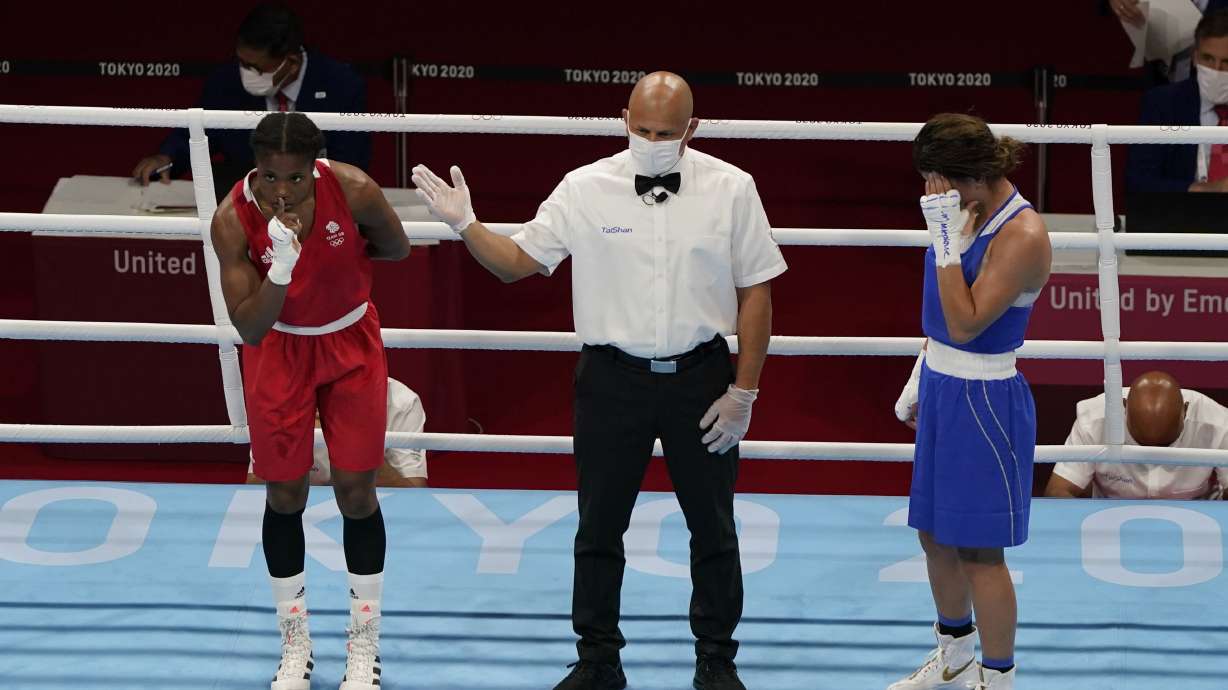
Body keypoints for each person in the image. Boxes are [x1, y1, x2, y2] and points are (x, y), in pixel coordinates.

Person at [412, 71, 786, 690]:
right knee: (599, 526)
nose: (653, 141)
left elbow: (756, 292)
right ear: (623, 120)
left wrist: (743, 392)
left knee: (714, 527)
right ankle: (597, 660)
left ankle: (717, 660)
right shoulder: (583, 187)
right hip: (612, 381)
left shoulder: (732, 188)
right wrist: (466, 224)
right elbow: (517, 263)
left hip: (701, 378)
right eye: (643, 129)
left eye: (666, 133)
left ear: (692, 129)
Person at [210, 111, 409, 690]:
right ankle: (295, 645)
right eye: (271, 177)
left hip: (350, 343)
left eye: (295, 178)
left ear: (314, 168)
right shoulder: (232, 220)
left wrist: (341, 260)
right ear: (255, 168)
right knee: (284, 493)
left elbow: (396, 248)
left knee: (356, 492)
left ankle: (363, 646)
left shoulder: (354, 189)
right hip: (279, 349)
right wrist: (282, 270)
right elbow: (249, 328)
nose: (282, 191)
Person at [891, 113, 1051, 690]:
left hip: (984, 399)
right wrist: (922, 373)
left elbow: (965, 323)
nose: (934, 195)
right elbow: (942, 318)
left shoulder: (1022, 234)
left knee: (981, 552)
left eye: (941, 183)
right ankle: (955, 661)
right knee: (934, 534)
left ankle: (998, 679)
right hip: (943, 383)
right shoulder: (966, 208)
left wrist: (942, 236)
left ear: (975, 175)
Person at [132, 3, 369, 198]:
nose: (245, 73)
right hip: (246, 206)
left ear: (292, 63)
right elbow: (197, 134)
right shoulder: (225, 82)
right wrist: (167, 157)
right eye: (242, 63)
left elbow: (351, 162)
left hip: (318, 205)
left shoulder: (342, 85)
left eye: (255, 68)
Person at [1045, 371, 1228, 499]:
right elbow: (1058, 491)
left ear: (1185, 411)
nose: (1153, 459)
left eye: (1165, 446)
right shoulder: (1094, 420)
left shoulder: (1217, 423)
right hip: (1108, 516)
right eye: (1141, 444)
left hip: (1196, 517)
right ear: (1124, 408)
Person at [246, 376, 429, 488]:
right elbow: (252, 489)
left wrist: (358, 444)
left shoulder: (401, 401)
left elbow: (415, 496)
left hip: (370, 511)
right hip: (300, 512)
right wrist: (296, 441)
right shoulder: (282, 397)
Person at [1127, 9, 1228, 193]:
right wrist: (1203, 190)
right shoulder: (1164, 103)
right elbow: (1139, 181)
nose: (1216, 69)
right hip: (1185, 209)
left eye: (1226, 62)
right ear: (1195, 57)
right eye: (1208, 58)